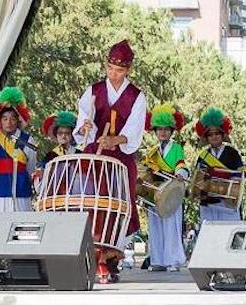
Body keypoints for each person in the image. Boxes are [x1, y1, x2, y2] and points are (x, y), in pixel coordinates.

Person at [73, 39, 147, 283]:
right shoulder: (93, 91)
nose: (114, 75)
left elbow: (135, 131)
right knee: (94, 203)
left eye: (120, 71)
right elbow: (85, 121)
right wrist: (85, 127)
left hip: (122, 158)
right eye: (110, 69)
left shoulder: (137, 96)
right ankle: (93, 256)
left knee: (120, 204)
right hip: (97, 156)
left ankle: (112, 259)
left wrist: (116, 140)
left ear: (128, 70)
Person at [142, 103, 189, 272]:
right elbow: (145, 171)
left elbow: (181, 165)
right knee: (155, 226)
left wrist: (181, 174)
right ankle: (158, 260)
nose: (163, 132)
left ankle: (173, 261)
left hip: (171, 191)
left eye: (166, 129)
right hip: (155, 192)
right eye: (159, 129)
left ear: (171, 131)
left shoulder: (176, 148)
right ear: (154, 131)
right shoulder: (152, 151)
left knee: (172, 226)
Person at [0, 87, 37, 213]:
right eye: (5, 118)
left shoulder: (27, 139)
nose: (9, 122)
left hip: (21, 189)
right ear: (0, 120)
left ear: (18, 120)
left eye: (13, 118)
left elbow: (30, 167)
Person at [193, 107, 245, 222]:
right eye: (210, 135)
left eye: (217, 133)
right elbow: (198, 178)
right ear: (207, 138)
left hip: (227, 203)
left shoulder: (232, 152)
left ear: (222, 135)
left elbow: (241, 175)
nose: (214, 136)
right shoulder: (203, 156)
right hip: (208, 203)